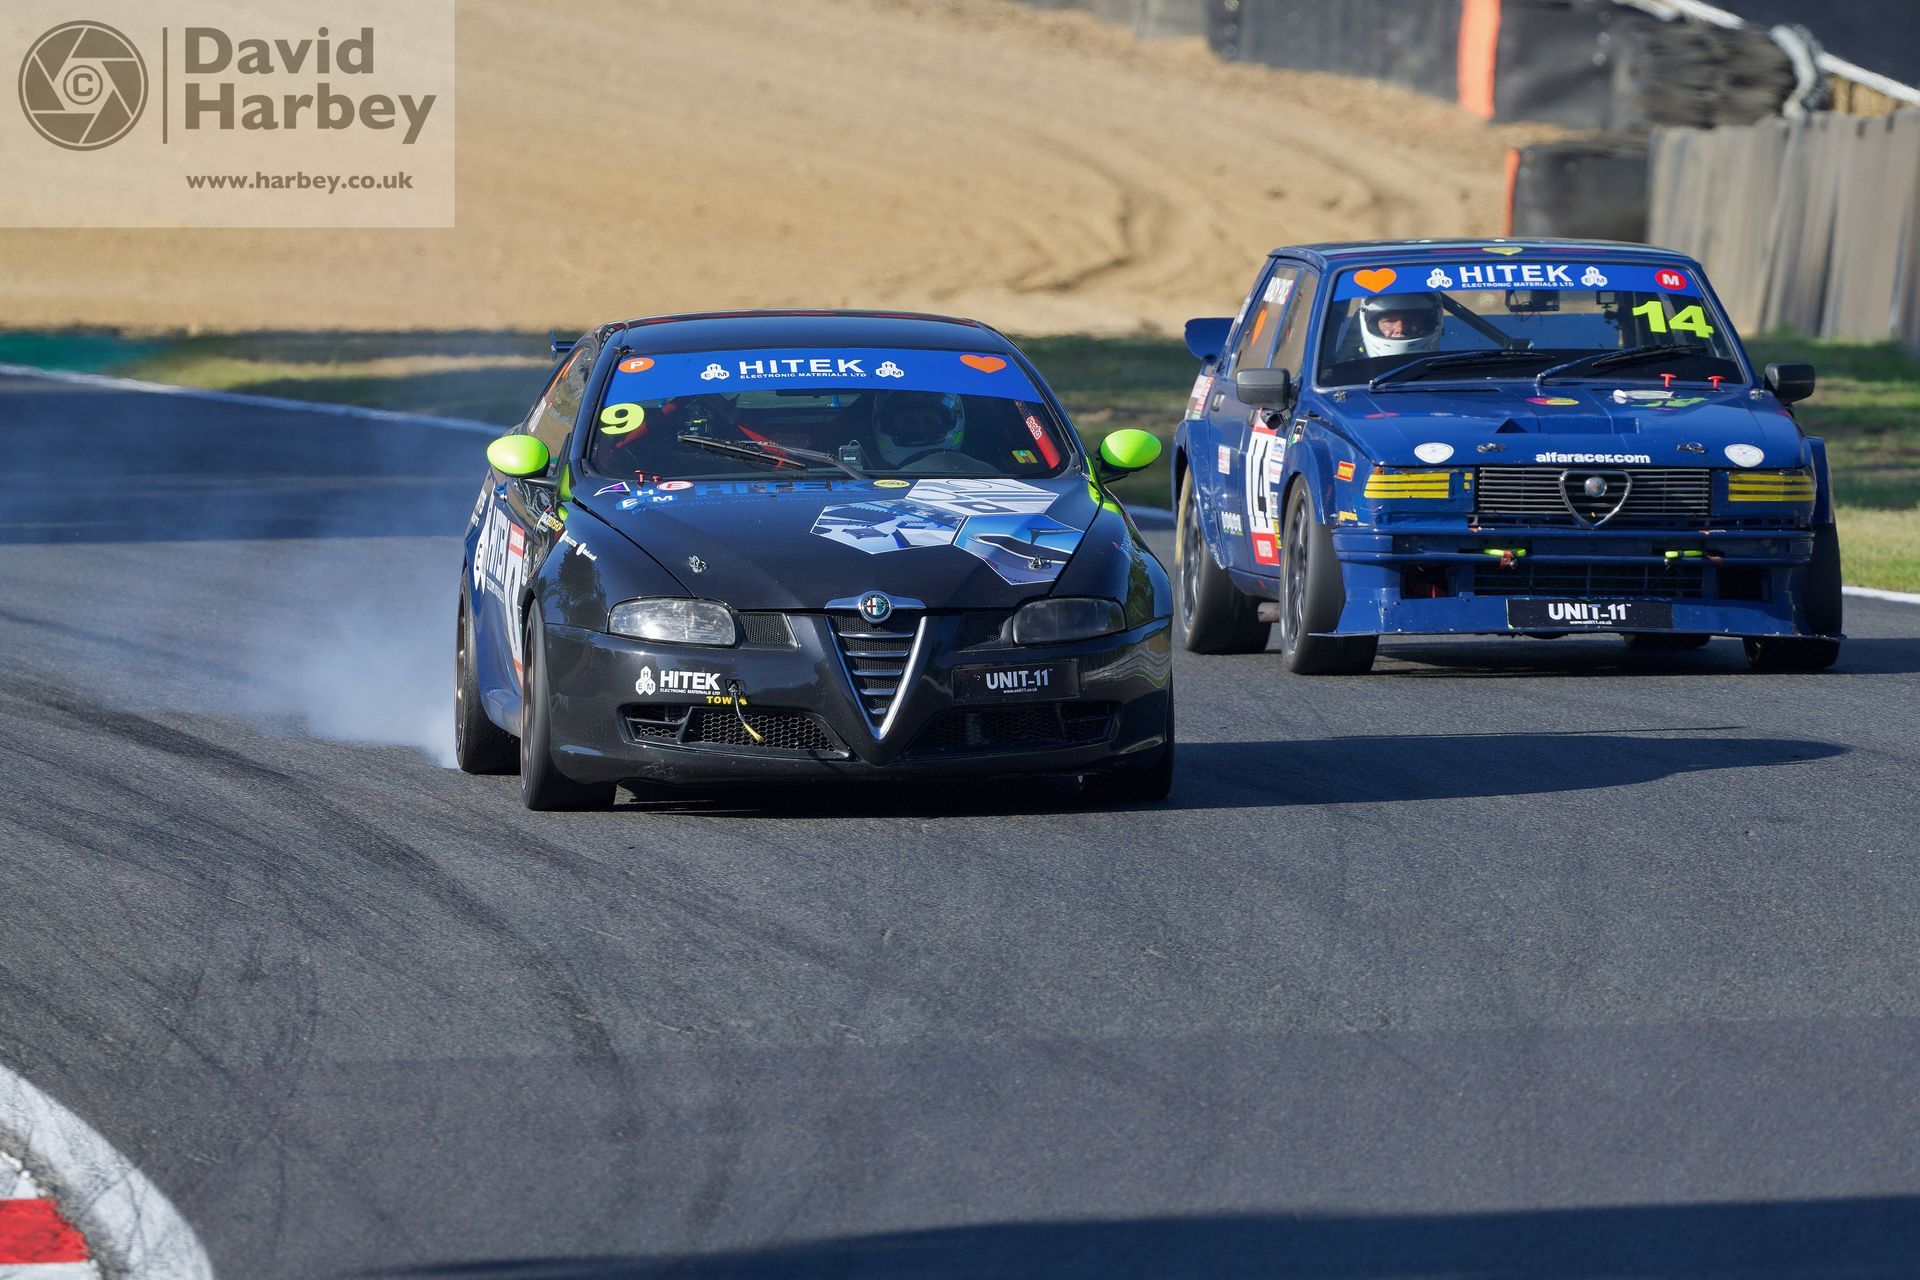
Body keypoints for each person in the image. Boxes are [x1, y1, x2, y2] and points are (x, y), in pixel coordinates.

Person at [869, 390, 966, 467]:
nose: (920, 427)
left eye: (929, 422)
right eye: (910, 423)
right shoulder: (855, 474)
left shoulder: (977, 469)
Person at [1359, 293, 1444, 359]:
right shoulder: (1350, 371)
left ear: (1427, 323)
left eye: (1410, 320)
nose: (1400, 328)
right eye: (1390, 321)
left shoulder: (1452, 368)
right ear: (1374, 325)